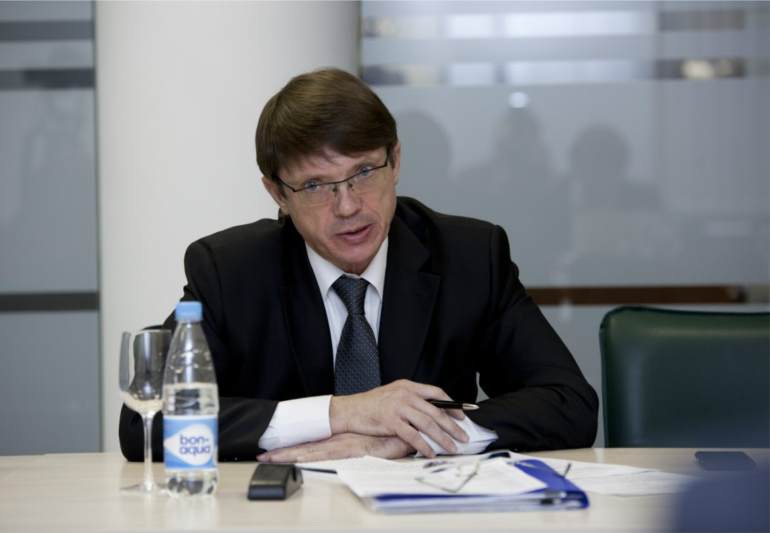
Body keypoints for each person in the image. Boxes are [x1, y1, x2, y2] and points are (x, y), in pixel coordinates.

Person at [120, 68, 598, 463]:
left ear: (396, 161)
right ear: (278, 194)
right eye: (315, 186)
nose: (348, 206)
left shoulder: (469, 256)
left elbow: (569, 403)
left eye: (364, 172)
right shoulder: (231, 272)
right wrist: (341, 414)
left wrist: (415, 434)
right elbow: (147, 419)